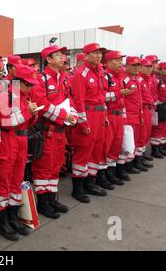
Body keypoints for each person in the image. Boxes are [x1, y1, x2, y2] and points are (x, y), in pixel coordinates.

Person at [0, 64, 39, 241]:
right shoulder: (6, 95)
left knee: (17, 179)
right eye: (28, 85)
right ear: (18, 82)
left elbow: (27, 121)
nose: (31, 88)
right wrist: (28, 112)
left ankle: (12, 217)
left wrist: (33, 114)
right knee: (3, 179)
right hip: (8, 140)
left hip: (21, 139)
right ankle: (1, 222)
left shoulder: (24, 96)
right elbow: (6, 122)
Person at [31, 45, 78, 217]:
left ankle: (51, 199)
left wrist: (73, 114)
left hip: (60, 131)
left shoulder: (64, 79)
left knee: (56, 165)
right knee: (44, 167)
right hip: (47, 131)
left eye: (63, 55)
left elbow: (69, 99)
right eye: (58, 55)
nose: (63, 58)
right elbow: (41, 104)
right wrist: (65, 115)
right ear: (48, 59)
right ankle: (43, 203)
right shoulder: (41, 79)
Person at [69, 43, 108, 203]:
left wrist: (104, 115)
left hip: (99, 114)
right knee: (84, 150)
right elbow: (79, 100)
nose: (98, 55)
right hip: (88, 114)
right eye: (95, 53)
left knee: (97, 150)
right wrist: (83, 123)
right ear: (86, 55)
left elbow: (102, 95)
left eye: (100, 52)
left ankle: (90, 183)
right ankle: (78, 188)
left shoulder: (99, 71)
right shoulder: (81, 73)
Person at [102, 51, 132, 185]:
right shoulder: (105, 76)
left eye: (121, 60)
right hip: (109, 115)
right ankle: (103, 175)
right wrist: (118, 94)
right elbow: (101, 97)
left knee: (116, 145)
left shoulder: (119, 77)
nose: (120, 63)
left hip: (119, 116)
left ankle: (111, 173)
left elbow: (122, 100)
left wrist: (124, 119)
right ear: (108, 63)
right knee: (106, 146)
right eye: (117, 60)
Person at [123, 57, 148, 174]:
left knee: (137, 139)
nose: (137, 68)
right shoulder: (125, 80)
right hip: (128, 116)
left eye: (138, 65)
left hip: (138, 115)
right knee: (128, 142)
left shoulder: (137, 79)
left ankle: (133, 162)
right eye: (134, 65)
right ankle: (127, 165)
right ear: (127, 66)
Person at [137, 58, 155, 169]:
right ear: (141, 67)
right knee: (141, 135)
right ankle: (137, 160)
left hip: (148, 109)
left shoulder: (148, 79)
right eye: (146, 67)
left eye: (150, 67)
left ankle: (141, 155)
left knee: (146, 135)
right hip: (142, 110)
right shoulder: (139, 80)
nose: (149, 69)